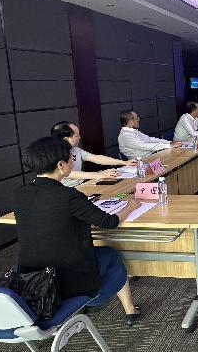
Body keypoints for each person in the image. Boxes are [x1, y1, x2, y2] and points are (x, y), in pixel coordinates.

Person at [13, 137, 143, 326]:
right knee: (111, 254)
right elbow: (109, 222)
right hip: (66, 277)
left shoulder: (19, 194)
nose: (73, 161)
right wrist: (130, 206)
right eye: (71, 158)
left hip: (31, 278)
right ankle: (128, 308)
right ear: (60, 165)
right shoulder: (68, 196)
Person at [50, 121, 136, 187]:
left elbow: (96, 158)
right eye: (77, 135)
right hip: (66, 189)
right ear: (66, 139)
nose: (80, 137)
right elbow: (68, 173)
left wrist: (124, 162)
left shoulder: (75, 150)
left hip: (82, 184)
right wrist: (99, 174)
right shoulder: (53, 154)